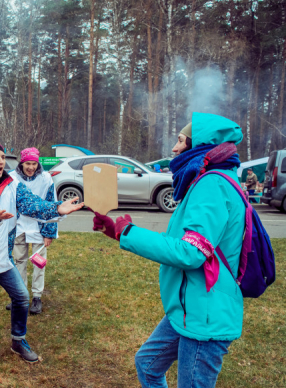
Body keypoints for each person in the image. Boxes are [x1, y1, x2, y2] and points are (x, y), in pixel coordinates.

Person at [93, 113, 245, 387]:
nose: (174, 149)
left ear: (200, 145)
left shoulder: (212, 184)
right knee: (148, 364)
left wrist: (126, 232)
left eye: (180, 141)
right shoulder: (208, 180)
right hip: (188, 307)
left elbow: (191, 253)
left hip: (204, 316)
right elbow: (184, 242)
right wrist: (118, 233)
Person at [0, 140, 83, 375]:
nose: (1, 161)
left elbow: (31, 204)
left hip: (0, 255)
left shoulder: (12, 184)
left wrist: (56, 210)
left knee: (22, 297)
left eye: (3, 157)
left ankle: (17, 340)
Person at [7, 147, 57, 315]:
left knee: (38, 262)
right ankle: (19, 296)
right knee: (18, 261)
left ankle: (37, 296)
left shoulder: (46, 179)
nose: (31, 167)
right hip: (18, 227)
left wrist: (49, 232)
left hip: (38, 227)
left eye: (34, 164)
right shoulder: (12, 178)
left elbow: (52, 204)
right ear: (22, 163)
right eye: (28, 163)